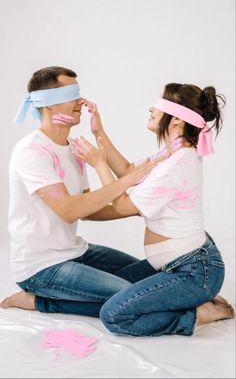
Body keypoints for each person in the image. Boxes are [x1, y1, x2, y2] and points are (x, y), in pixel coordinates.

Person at [71, 82, 235, 336]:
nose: (151, 109)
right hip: (174, 263)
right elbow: (128, 172)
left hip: (194, 271)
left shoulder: (177, 164)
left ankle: (198, 313)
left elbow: (124, 205)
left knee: (114, 315)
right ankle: (192, 300)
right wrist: (99, 133)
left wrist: (98, 164)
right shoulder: (171, 152)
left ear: (177, 121)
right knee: (113, 289)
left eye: (159, 106)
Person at [0, 66, 158, 315]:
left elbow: (86, 207)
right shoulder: (32, 151)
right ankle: (35, 300)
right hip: (41, 266)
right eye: (70, 95)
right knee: (134, 296)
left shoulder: (74, 148)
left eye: (78, 93)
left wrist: (134, 210)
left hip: (75, 251)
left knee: (153, 277)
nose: (80, 102)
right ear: (48, 103)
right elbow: (68, 210)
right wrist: (126, 181)